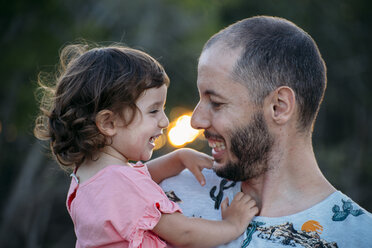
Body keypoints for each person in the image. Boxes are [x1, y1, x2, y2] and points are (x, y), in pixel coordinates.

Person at [161, 15, 372, 247]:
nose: (196, 121)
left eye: (217, 103)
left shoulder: (359, 237)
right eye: (200, 98)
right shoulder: (161, 196)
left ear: (279, 106)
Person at [33, 43, 259, 248]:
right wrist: (233, 225)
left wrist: (177, 158)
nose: (163, 121)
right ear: (109, 123)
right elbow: (185, 233)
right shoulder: (120, 183)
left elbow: (139, 179)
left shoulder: (87, 180)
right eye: (153, 110)